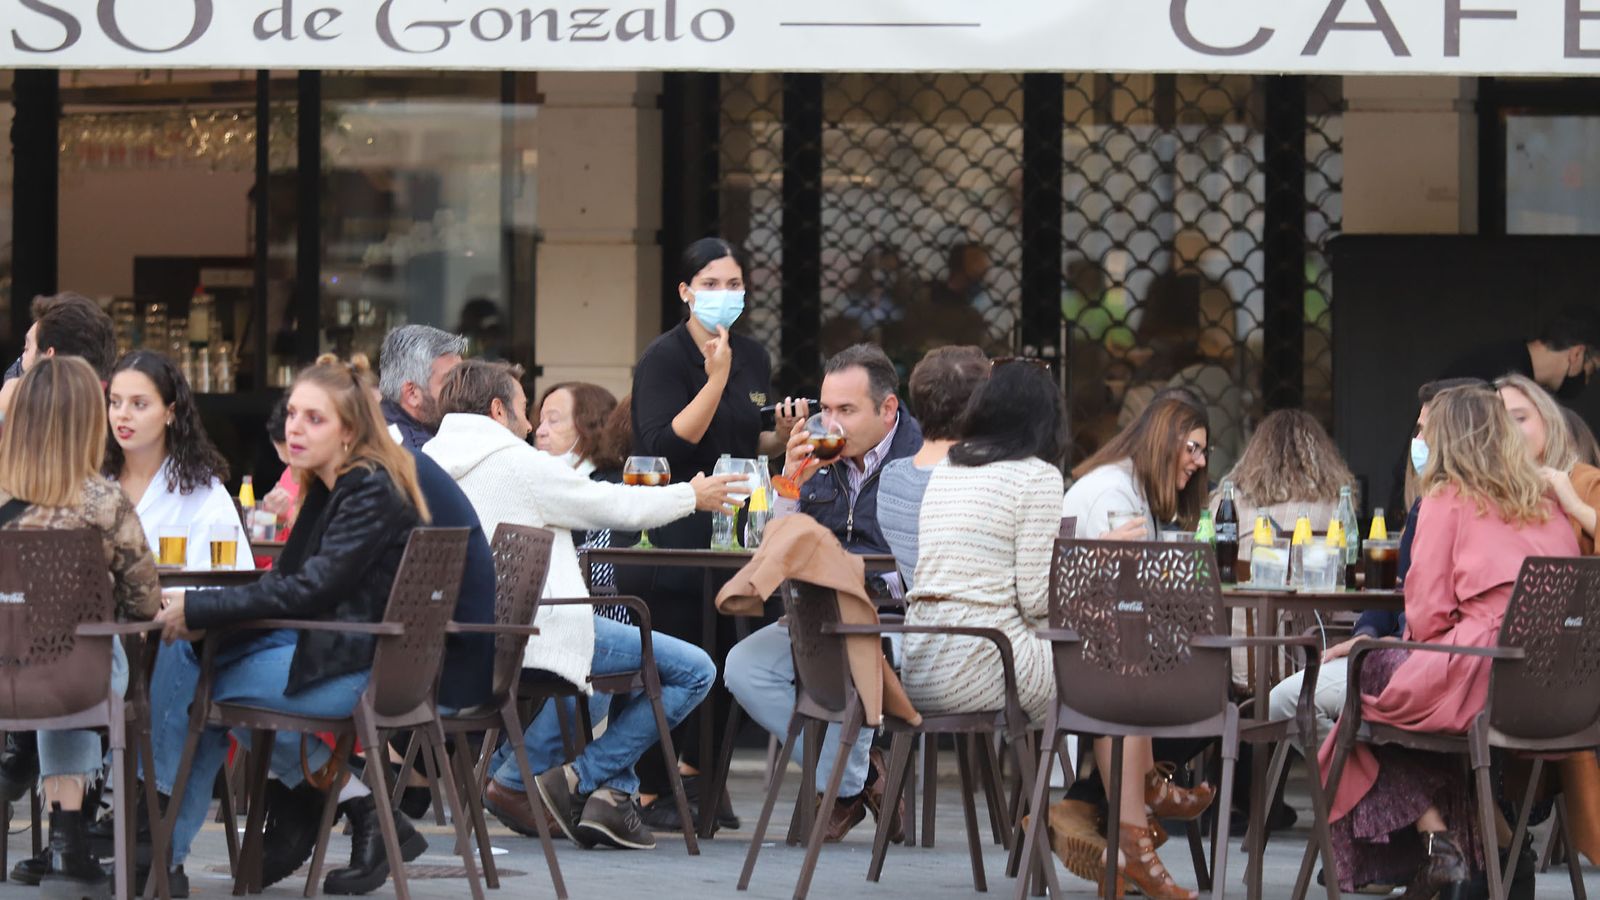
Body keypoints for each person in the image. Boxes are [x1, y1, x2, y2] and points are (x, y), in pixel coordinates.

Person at [423, 359, 737, 850]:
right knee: (695, 669)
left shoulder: (425, 460)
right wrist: (690, 496)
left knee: (625, 657)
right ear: (497, 409)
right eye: (526, 410)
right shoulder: (516, 462)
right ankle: (565, 780)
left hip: (457, 644)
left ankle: (599, 795)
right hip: (536, 634)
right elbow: (615, 506)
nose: (529, 426)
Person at [148, 357, 433, 896]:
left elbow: (310, 589)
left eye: (314, 419)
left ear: (349, 431)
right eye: (293, 414)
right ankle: (345, 799)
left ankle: (157, 844)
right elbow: (291, 578)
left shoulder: (369, 487)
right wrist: (202, 614)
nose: (295, 428)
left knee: (192, 677)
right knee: (189, 653)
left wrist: (201, 609)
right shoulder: (336, 482)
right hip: (341, 646)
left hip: (363, 662)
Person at [1322, 385, 1579, 896]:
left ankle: (1437, 839)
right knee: (1406, 716)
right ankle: (1496, 847)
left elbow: (1426, 616)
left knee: (1366, 680)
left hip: (1480, 674)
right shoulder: (1546, 503)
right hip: (1554, 688)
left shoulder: (1447, 499)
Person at [627, 237, 797, 828]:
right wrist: (715, 379)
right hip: (676, 527)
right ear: (685, 291)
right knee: (677, 655)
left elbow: (748, 436)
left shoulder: (753, 354)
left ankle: (702, 776)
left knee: (731, 649)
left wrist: (786, 430)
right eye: (712, 284)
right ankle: (659, 786)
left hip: (738, 524)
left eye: (733, 284)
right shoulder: (664, 358)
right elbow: (669, 446)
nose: (724, 295)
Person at [724, 343, 924, 842]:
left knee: (854, 656)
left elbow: (928, 565)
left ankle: (838, 788)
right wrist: (789, 484)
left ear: (887, 409)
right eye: (825, 409)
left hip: (897, 621)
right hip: (816, 619)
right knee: (743, 668)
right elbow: (771, 549)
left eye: (846, 411)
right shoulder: (815, 457)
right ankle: (859, 781)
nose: (830, 423)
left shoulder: (923, 460)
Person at [0, 356, 160, 897]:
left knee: (43, 651)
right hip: (80, 681)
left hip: (3, 672)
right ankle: (70, 845)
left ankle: (66, 841)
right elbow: (143, 603)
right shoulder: (103, 501)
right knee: (70, 652)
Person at [1055, 388, 1216, 896]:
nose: (1199, 461)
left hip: (1097, 648)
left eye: (1204, 450)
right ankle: (1135, 822)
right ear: (1164, 438)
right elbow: (1116, 595)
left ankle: (1125, 807)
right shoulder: (1114, 494)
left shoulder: (1128, 486)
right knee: (1209, 692)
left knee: (1197, 682)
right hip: (1086, 658)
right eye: (1191, 447)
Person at [103, 351, 253, 570]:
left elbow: (228, 584)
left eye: (139, 404)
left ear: (170, 412)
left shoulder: (202, 492)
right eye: (115, 402)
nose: (122, 414)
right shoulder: (95, 479)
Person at [877, 345, 990, 586]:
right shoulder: (987, 479)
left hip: (918, 618)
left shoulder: (891, 478)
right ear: (981, 407)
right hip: (984, 622)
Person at [1211, 409, 1355, 561]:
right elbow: (1346, 559)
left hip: (1243, 583)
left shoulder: (1227, 502)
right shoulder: (1333, 505)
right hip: (1308, 582)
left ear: (1254, 454)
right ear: (1323, 457)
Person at [1439, 304, 1600, 401]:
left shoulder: (1506, 359)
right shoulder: (1504, 378)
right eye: (1591, 371)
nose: (1585, 382)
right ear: (1577, 354)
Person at [0, 292, 118, 417]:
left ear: (48, 357)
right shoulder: (114, 420)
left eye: (27, 348)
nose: (20, 359)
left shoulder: (25, 426)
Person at [376, 324, 466, 450]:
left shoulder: (372, 425)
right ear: (412, 393)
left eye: (463, 378)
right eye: (451, 381)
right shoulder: (416, 456)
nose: (463, 389)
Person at [534, 381, 617, 466]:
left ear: (590, 427)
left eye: (553, 420)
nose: (539, 432)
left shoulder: (614, 478)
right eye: (541, 421)